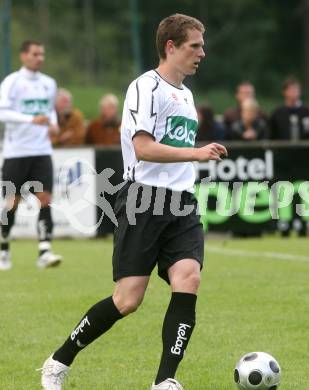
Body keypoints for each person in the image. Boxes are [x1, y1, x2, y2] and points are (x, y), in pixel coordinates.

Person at [40, 14, 227, 390]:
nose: (201, 53)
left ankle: (165, 381)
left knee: (188, 278)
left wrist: (191, 160)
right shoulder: (146, 87)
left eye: (202, 46)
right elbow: (142, 149)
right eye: (194, 46)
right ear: (170, 47)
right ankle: (59, 360)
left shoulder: (187, 95)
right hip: (143, 200)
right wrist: (195, 154)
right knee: (127, 300)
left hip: (182, 204)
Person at [0, 40, 62, 270]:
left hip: (41, 150)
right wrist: (30, 119)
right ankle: (4, 250)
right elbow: (2, 112)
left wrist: (53, 125)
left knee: (45, 199)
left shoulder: (49, 83)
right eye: (36, 54)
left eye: (42, 54)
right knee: (11, 203)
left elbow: (50, 112)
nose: (40, 58)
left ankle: (44, 251)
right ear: (24, 56)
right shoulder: (12, 82)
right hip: (16, 152)